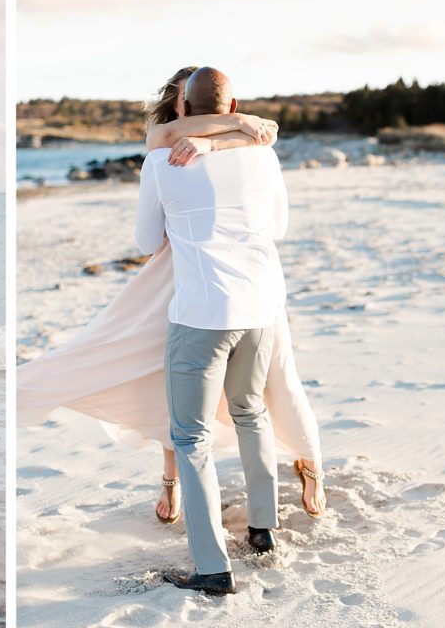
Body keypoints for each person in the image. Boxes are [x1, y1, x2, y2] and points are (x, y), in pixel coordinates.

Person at [16, 66, 325, 534]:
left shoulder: (187, 157)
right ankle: (235, 514)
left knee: (266, 392)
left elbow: (146, 239)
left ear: (185, 106)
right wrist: (231, 133)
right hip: (222, 286)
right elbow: (273, 221)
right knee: (207, 395)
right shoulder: (230, 148)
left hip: (220, 289)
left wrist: (212, 146)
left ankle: (301, 474)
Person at [135, 66, 289, 595]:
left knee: (191, 436)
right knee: (251, 412)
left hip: (201, 313)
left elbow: (144, 239)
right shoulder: (263, 153)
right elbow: (281, 228)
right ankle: (263, 533)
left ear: (180, 109)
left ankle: (211, 568)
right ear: (234, 106)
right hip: (259, 309)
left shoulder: (161, 159)